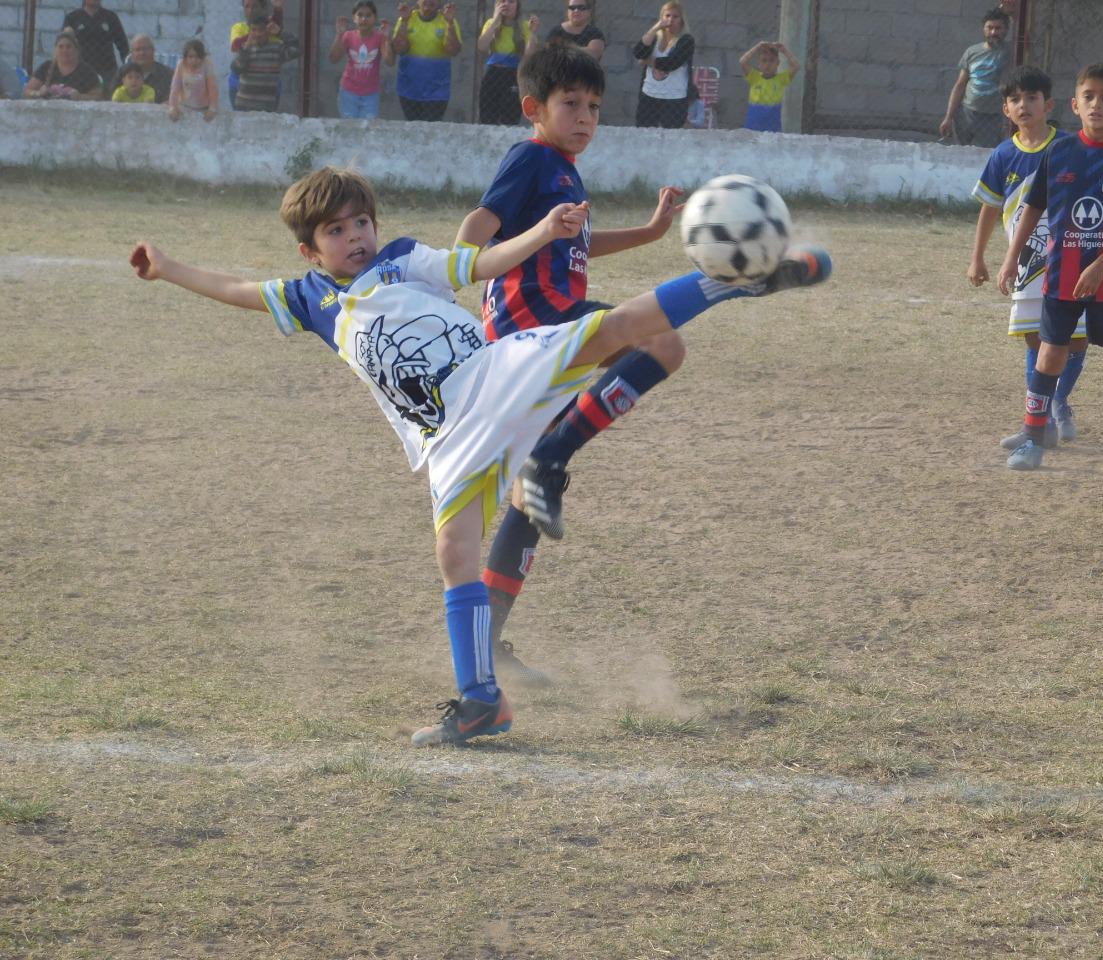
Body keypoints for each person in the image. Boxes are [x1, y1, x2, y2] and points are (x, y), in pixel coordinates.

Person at [128, 166, 830, 747]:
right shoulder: (309, 300)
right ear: (311, 251)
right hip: (445, 440)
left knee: (614, 329)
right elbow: (236, 290)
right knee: (454, 552)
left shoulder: (404, 258)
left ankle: (738, 280)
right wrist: (167, 268)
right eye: (336, 231)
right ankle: (480, 701)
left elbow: (480, 263)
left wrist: (543, 232)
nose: (355, 237)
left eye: (360, 222)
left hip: (491, 374)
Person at [454, 45, 691, 682]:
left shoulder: (562, 171)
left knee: (532, 500)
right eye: (571, 104)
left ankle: (487, 644)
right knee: (662, 343)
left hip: (540, 331)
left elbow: (575, 244)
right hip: (536, 324)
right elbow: (479, 224)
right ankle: (551, 456)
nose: (585, 116)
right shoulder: (531, 158)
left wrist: (648, 233)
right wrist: (455, 265)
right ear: (533, 108)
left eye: (594, 107)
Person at [997, 64, 1103, 473]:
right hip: (1060, 276)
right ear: (1074, 104)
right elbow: (1034, 205)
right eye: (1089, 96)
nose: (1096, 104)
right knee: (1050, 354)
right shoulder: (1060, 151)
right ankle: (1034, 439)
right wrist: (1012, 257)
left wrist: (1100, 265)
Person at [969, 66, 1088, 450]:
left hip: (1070, 259)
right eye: (1015, 99)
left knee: (1076, 341)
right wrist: (978, 257)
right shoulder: (1003, 155)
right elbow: (990, 207)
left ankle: (1058, 400)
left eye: (1031, 98)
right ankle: (1040, 421)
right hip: (1025, 263)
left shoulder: (1068, 147)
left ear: (1048, 104)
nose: (1023, 105)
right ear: (1006, 109)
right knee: (1035, 339)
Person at [940, 7, 1011, 148]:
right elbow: (960, 85)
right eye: (989, 28)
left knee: (984, 154)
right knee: (961, 153)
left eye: (998, 28)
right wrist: (948, 117)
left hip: (992, 117)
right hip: (966, 114)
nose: (993, 32)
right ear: (983, 29)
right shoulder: (972, 52)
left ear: (1006, 30)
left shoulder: (1010, 52)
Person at [391, 0, 461, 121]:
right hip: (409, 89)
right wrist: (404, 22)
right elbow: (399, 49)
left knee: (431, 129)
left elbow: (453, 51)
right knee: (412, 128)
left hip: (437, 91)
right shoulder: (406, 18)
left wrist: (450, 23)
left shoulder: (448, 20)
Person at [633, 1, 694, 129]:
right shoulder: (655, 37)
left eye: (675, 17)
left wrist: (647, 61)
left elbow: (672, 63)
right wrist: (655, 28)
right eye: (667, 16)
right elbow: (638, 52)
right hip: (649, 94)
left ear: (682, 20)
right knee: (644, 132)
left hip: (674, 97)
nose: (670, 20)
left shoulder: (687, 40)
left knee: (671, 135)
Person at [477, 0, 537, 125]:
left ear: (517, 6)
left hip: (513, 73)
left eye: (511, 2)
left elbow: (529, 55)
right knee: (487, 117)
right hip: (493, 73)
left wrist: (532, 33)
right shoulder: (491, 23)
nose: (506, 5)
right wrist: (495, 21)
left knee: (510, 118)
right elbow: (482, 46)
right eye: (502, 1)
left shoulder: (524, 26)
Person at [330, 1, 392, 120]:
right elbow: (334, 58)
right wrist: (339, 35)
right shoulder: (348, 36)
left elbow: (389, 61)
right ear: (354, 18)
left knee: (368, 127)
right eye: (360, 15)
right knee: (349, 127)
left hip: (371, 94)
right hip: (348, 92)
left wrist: (387, 39)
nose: (364, 19)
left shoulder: (380, 37)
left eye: (368, 15)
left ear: (375, 18)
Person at [232, 16, 300, 113]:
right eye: (253, 30)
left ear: (268, 31)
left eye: (261, 30)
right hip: (243, 108)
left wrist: (280, 33)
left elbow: (297, 50)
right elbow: (236, 69)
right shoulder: (245, 49)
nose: (257, 34)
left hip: (266, 109)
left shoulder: (276, 49)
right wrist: (246, 48)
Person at [230, 0, 285, 109]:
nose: (250, 10)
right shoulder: (239, 27)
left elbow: (278, 30)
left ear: (263, 9)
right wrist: (257, 32)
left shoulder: (270, 26)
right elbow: (235, 45)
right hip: (241, 84)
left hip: (268, 84)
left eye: (254, 6)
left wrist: (278, 9)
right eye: (247, 7)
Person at [61, 0, 128, 90]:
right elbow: (63, 44)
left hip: (107, 70)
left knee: (108, 96)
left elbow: (123, 46)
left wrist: (127, 68)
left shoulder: (111, 17)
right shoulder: (72, 18)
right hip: (80, 70)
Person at [25, 30, 104, 101]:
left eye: (68, 47)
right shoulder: (46, 67)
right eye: (60, 47)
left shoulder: (86, 71)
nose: (64, 50)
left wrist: (80, 97)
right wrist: (38, 93)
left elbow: (99, 97)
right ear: (55, 50)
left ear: (77, 51)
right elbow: (27, 91)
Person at [739, 40, 799, 133]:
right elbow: (742, 61)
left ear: (777, 63)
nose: (768, 64)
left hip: (773, 129)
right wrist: (757, 47)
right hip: (752, 127)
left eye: (771, 60)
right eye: (764, 60)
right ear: (759, 64)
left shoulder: (781, 79)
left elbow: (796, 66)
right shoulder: (754, 77)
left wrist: (784, 50)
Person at [111, 34, 173, 104]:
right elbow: (112, 98)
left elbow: (172, 99)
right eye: (137, 50)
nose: (142, 53)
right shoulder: (122, 72)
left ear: (153, 51)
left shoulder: (167, 74)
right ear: (132, 53)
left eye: (145, 49)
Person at [168, 38, 219, 122]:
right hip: (184, 107)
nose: (194, 60)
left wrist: (212, 109)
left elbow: (213, 88)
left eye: (197, 57)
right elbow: (175, 87)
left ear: (202, 57)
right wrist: (172, 107)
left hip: (204, 108)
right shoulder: (181, 64)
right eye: (190, 57)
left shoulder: (207, 64)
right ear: (185, 57)